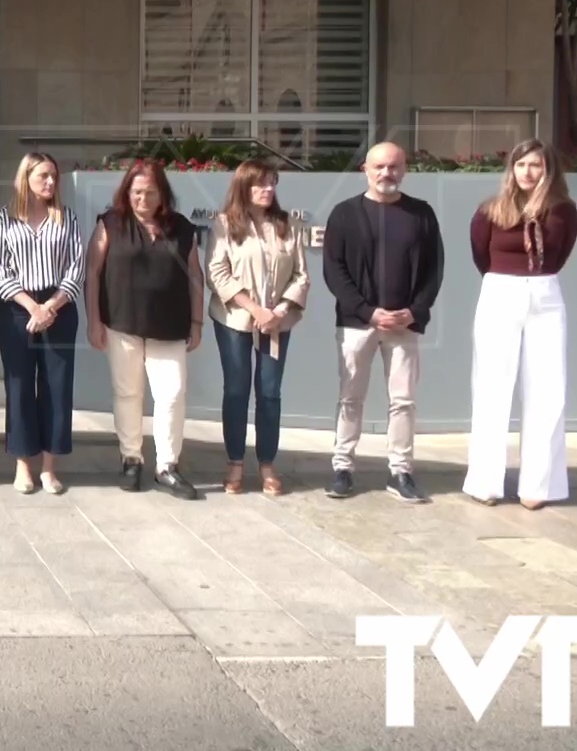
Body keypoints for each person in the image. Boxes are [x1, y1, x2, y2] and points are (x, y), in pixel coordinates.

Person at [322, 141, 444, 504]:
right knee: (350, 398)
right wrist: (367, 311)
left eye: (394, 167)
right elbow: (334, 271)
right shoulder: (344, 214)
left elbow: (434, 270)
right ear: (365, 170)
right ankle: (342, 468)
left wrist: (414, 311)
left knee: (403, 401)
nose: (387, 173)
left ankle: (401, 471)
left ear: (404, 170)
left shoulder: (421, 214)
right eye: (379, 167)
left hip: (404, 324)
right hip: (357, 323)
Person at [464, 139, 577, 510]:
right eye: (522, 165)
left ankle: (538, 486)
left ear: (549, 170)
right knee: (492, 386)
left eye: (536, 166)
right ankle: (486, 482)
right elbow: (481, 255)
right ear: (511, 169)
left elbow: (558, 257)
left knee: (548, 389)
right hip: (499, 290)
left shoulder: (562, 211)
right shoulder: (490, 211)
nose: (528, 172)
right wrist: (509, 280)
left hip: (545, 293)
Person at [84, 159, 204, 500]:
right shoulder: (111, 224)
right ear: (127, 192)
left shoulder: (182, 228)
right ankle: (131, 459)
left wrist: (197, 322)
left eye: (150, 192)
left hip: (170, 325)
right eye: (137, 192)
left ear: (162, 193)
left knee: (172, 394)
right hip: (122, 322)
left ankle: (167, 465)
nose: (143, 198)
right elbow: (92, 272)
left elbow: (196, 276)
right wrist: (93, 320)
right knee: (128, 393)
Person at [207, 159, 309, 497]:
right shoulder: (224, 225)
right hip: (235, 320)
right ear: (244, 187)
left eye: (271, 182)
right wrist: (254, 309)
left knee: (269, 392)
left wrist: (277, 311)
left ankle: (267, 464)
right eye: (259, 184)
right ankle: (235, 462)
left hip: (277, 323)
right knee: (236, 390)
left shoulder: (287, 224)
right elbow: (217, 272)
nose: (267, 189)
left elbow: (301, 275)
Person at [0, 152, 85, 496]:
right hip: (18, 308)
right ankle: (22, 465)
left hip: (59, 308)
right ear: (25, 177)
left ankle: (49, 468)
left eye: (54, 177)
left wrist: (51, 306)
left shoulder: (67, 219)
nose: (50, 182)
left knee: (56, 388)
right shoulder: (3, 219)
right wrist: (32, 307)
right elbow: (1, 272)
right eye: (43, 175)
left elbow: (76, 268)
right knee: (19, 388)